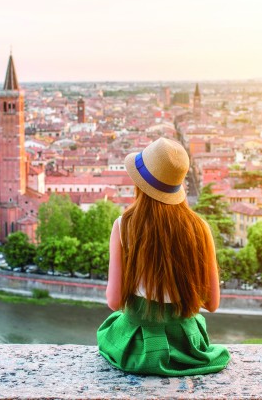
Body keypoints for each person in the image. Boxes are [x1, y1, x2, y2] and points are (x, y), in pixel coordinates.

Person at [96, 137, 230, 376]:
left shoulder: (123, 226)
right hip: (186, 346)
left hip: (139, 347)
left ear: (140, 184)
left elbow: (114, 302)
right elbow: (212, 303)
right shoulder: (200, 228)